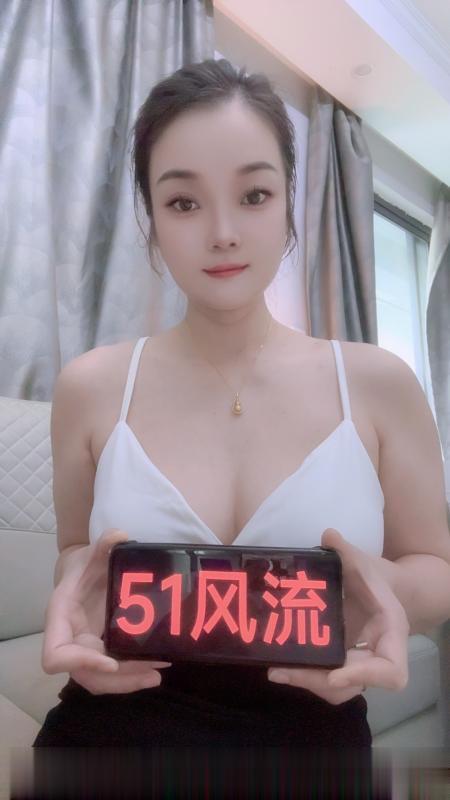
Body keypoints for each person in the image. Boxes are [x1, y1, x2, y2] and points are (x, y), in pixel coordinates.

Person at [33, 58, 450, 756]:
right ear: (151, 216)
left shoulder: (378, 383)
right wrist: (80, 593)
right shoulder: (91, 387)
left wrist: (373, 591)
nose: (222, 232)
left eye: (254, 194)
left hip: (311, 738)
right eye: (184, 202)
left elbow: (436, 569)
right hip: (108, 733)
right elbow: (76, 552)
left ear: (289, 202)